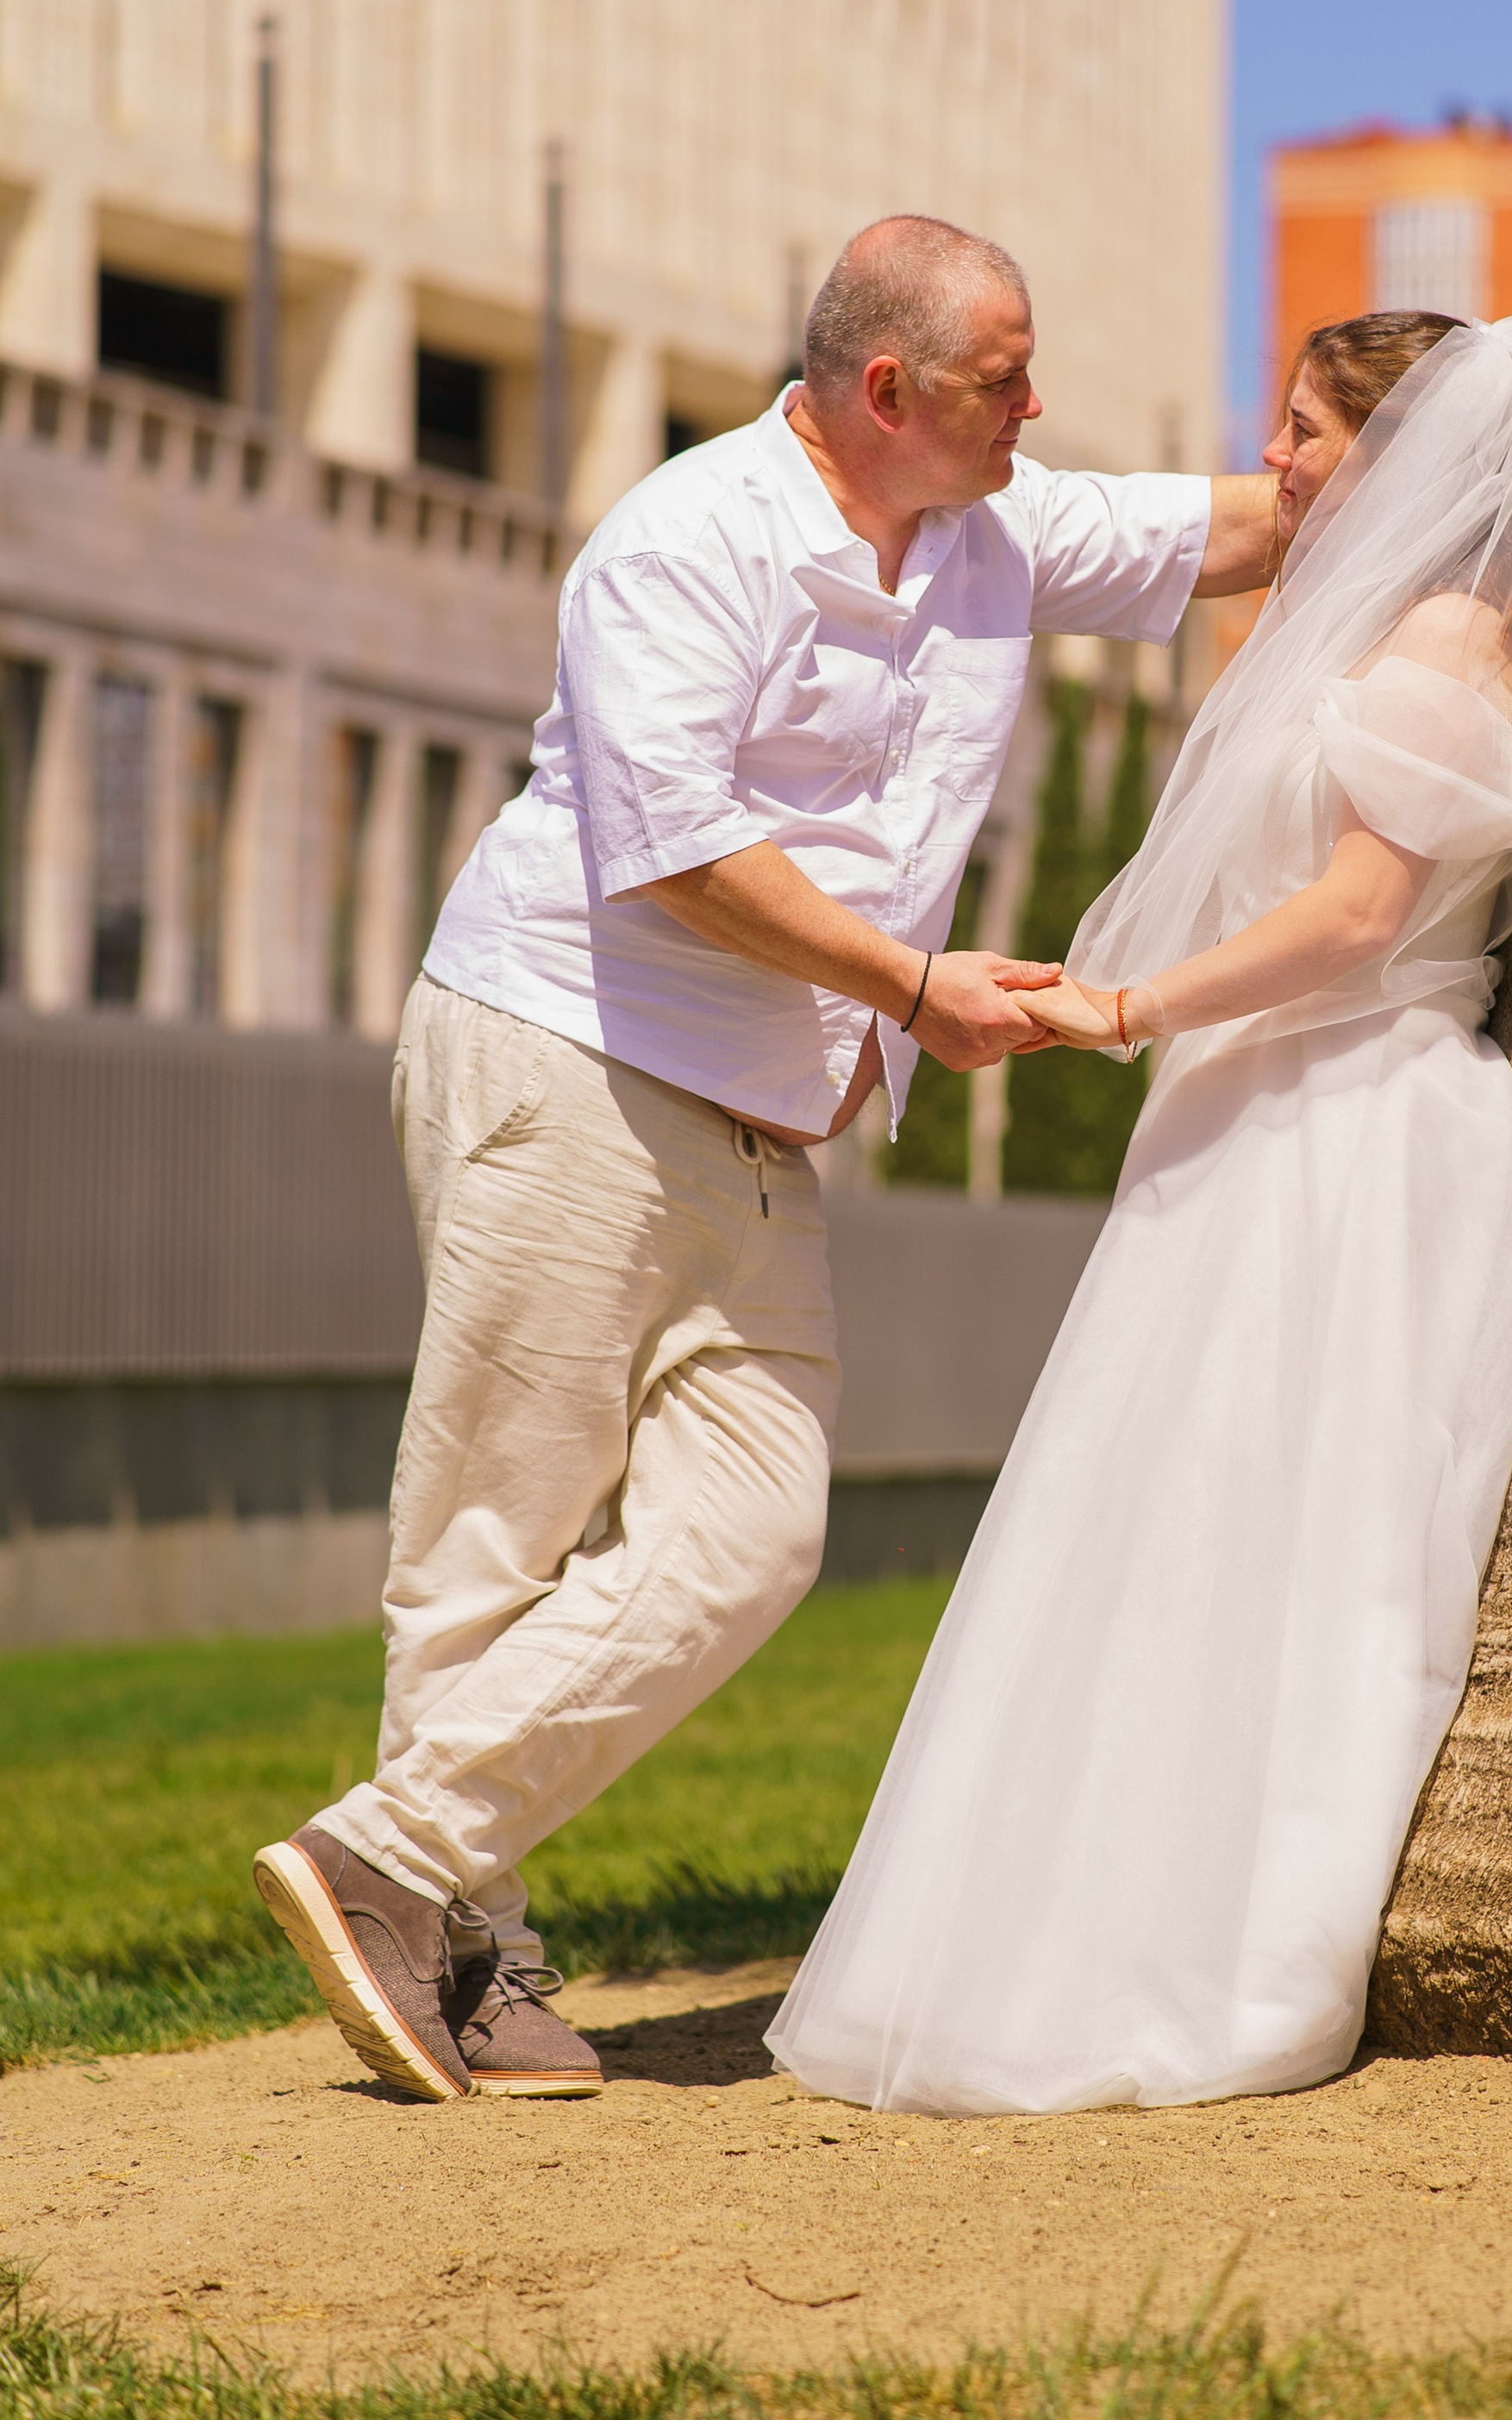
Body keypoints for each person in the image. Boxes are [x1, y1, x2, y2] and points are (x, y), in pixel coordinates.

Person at [253, 215, 1274, 2104]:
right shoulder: (684, 539)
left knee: (755, 1532)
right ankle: (470, 1961)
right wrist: (914, 984)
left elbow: (1226, 528)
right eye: (1001, 380)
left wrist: (1436, 438)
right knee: (496, 1532)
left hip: (760, 1117)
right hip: (569, 1056)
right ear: (883, 391)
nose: (1031, 410)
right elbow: (676, 852)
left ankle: (385, 1859)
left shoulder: (990, 526)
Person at [766, 306, 1512, 2115]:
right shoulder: (1352, 626)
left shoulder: (1450, 639)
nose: (1272, 461)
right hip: (1250, 1110)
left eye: (1301, 429)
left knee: (1291, 1533)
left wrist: (1126, 1007)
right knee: (1160, 1522)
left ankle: (1217, 1952)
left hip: (1353, 1125)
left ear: (1400, 452)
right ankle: (1057, 1930)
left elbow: (1364, 917)